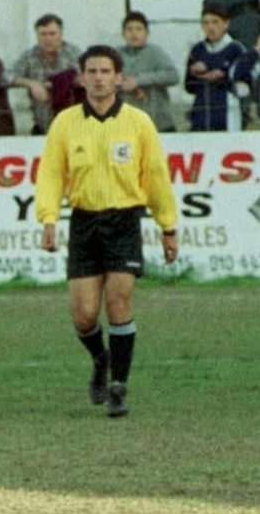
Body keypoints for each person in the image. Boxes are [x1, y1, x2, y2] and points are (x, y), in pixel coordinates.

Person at [37, 45, 178, 419]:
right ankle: (100, 360)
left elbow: (156, 175)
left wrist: (168, 225)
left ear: (118, 78)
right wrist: (48, 219)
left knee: (119, 301)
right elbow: (51, 174)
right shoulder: (65, 123)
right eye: (92, 71)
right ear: (82, 78)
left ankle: (119, 385)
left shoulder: (138, 122)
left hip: (124, 221)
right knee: (84, 314)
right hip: (84, 221)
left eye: (105, 71)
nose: (99, 77)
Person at [185, 2, 259, 131]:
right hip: (201, 113)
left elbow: (246, 85)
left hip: (227, 113)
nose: (210, 27)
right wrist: (194, 73)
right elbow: (188, 87)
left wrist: (223, 76)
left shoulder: (235, 48)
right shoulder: (197, 49)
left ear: (226, 24)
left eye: (215, 22)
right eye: (206, 23)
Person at [10, 14, 83, 135]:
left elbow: (87, 78)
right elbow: (7, 76)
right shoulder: (30, 56)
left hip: (73, 127)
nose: (47, 39)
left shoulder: (74, 54)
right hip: (41, 127)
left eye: (52, 34)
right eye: (43, 34)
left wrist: (59, 83)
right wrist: (32, 84)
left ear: (61, 34)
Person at [114, 12, 180, 132]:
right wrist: (122, 84)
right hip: (127, 124)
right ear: (123, 34)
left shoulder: (155, 52)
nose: (134, 33)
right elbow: (106, 80)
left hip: (158, 122)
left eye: (139, 29)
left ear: (147, 33)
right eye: (129, 29)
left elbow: (173, 76)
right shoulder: (116, 55)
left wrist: (139, 80)